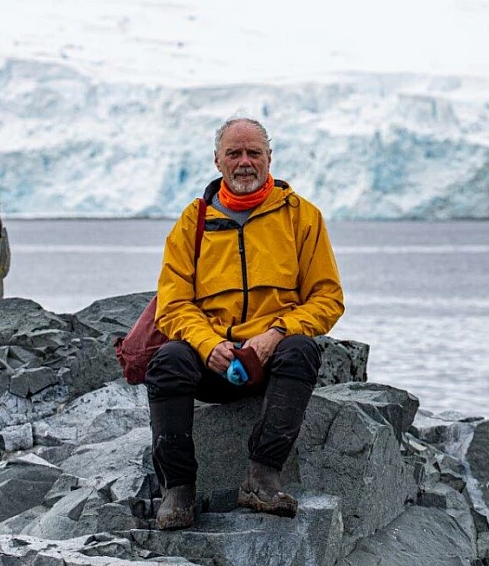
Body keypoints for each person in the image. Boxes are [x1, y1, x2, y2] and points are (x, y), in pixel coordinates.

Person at [146, 117, 345, 530]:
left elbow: (327, 298)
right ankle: (178, 489)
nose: (244, 162)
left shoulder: (301, 217)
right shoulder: (194, 221)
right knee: (168, 361)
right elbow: (173, 303)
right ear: (217, 160)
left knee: (301, 349)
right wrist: (207, 345)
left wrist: (276, 333)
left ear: (269, 158)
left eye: (254, 153)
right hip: (211, 362)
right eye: (234, 153)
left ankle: (262, 477)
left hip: (270, 361)